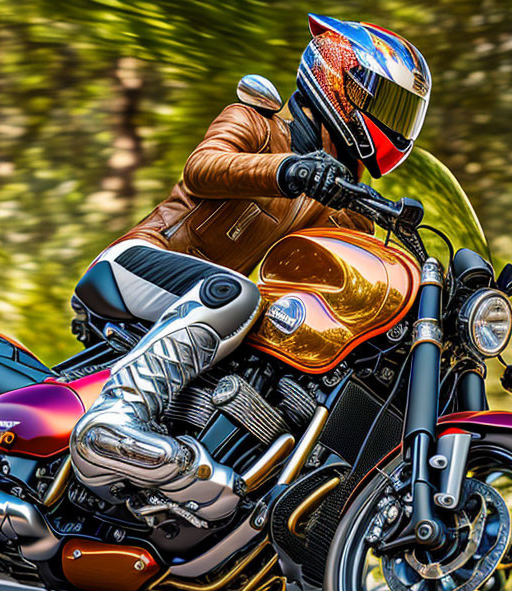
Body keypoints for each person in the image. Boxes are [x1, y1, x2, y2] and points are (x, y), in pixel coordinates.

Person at [70, 14, 432, 523]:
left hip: (218, 312)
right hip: (138, 265)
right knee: (235, 292)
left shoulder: (346, 209)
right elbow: (204, 167)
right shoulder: (257, 123)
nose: (394, 120)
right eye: (386, 102)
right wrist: (288, 170)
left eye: (404, 111)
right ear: (338, 77)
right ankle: (115, 418)